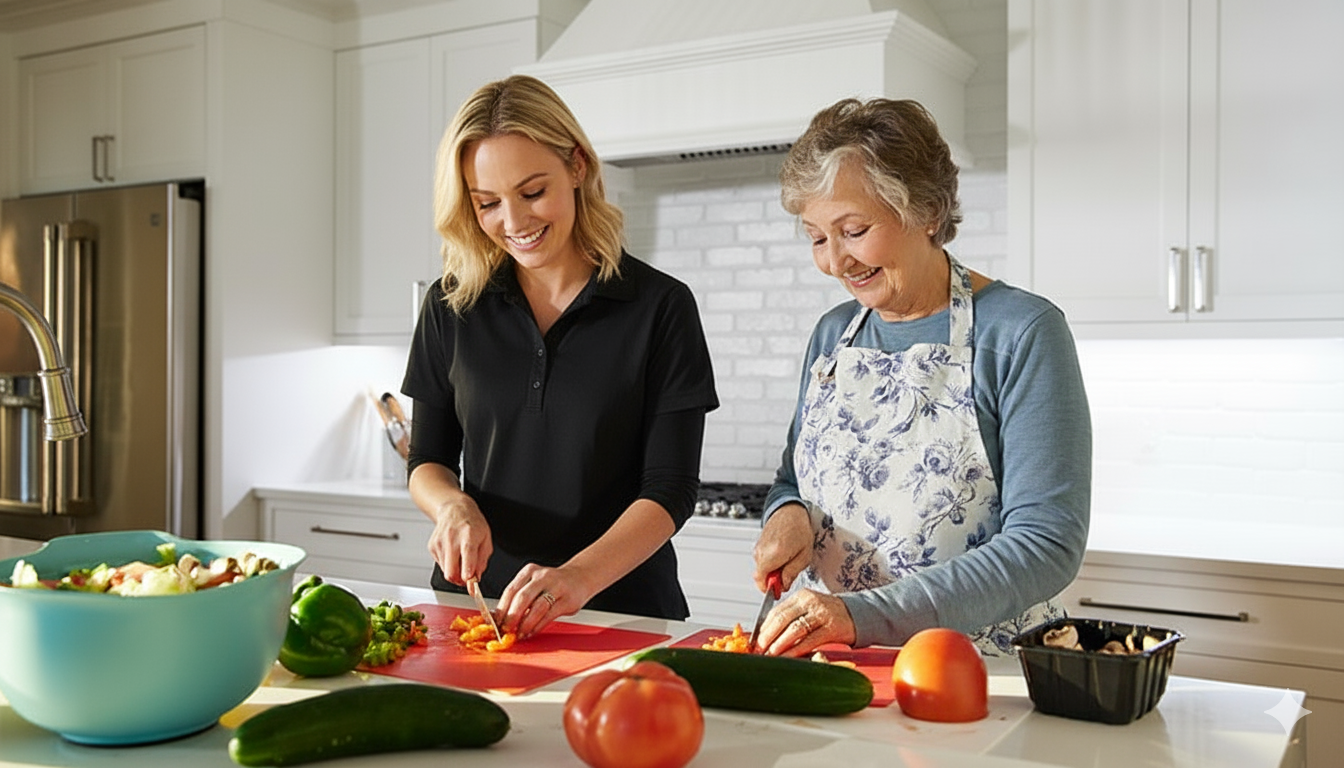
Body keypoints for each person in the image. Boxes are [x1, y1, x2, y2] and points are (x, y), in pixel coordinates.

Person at [752, 98, 1091, 657]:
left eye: (854, 230)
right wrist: (787, 514)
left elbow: (1046, 544)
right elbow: (792, 479)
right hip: (828, 663)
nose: (836, 262)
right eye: (816, 237)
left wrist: (860, 617)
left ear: (928, 212)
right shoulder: (833, 336)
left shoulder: (1021, 333)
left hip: (973, 675)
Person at [400, 75, 718, 638]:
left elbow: (670, 489)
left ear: (577, 166)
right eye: (488, 203)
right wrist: (451, 506)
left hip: (622, 611)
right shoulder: (450, 305)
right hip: (477, 609)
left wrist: (575, 578)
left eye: (531, 192)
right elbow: (427, 459)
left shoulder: (661, 307)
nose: (514, 222)